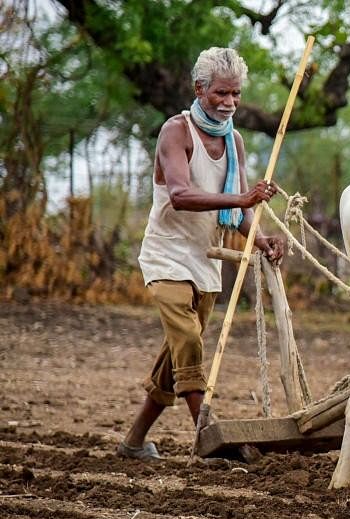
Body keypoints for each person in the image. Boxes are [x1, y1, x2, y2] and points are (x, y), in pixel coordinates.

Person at [119, 47, 286, 460]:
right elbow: (179, 195)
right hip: (166, 256)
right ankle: (210, 437)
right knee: (189, 340)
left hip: (207, 261)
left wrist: (260, 239)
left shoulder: (235, 142)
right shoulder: (176, 132)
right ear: (200, 89)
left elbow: (239, 211)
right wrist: (241, 196)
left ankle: (134, 443)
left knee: (177, 355)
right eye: (221, 94)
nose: (229, 103)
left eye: (236, 95)